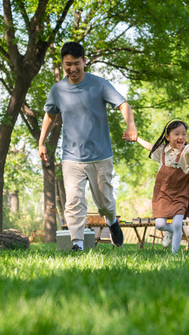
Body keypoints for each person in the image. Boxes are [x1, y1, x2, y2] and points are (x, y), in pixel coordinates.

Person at [38, 42, 138, 252]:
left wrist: (131, 126)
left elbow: (123, 104)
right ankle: (78, 243)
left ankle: (112, 221)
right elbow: (50, 114)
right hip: (71, 157)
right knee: (73, 200)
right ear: (62, 64)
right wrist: (41, 142)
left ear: (84, 61)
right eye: (67, 64)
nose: (72, 69)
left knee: (104, 201)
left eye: (76, 64)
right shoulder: (58, 89)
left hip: (100, 155)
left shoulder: (99, 84)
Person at [134, 120, 189, 254]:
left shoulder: (186, 151)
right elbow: (150, 146)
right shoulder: (161, 151)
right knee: (159, 225)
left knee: (178, 223)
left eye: (184, 134)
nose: (181, 137)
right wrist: (137, 139)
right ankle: (170, 232)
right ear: (167, 137)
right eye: (176, 134)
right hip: (163, 194)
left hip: (181, 193)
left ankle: (174, 253)